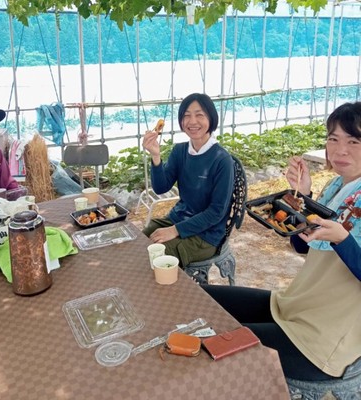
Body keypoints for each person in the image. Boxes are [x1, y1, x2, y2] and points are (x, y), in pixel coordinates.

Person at [202, 101, 361, 381]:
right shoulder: (337, 186)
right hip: (295, 306)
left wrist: (342, 239)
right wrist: (302, 197)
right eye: (333, 139)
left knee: (214, 344)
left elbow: (338, 244)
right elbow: (303, 245)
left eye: (354, 141)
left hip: (323, 339)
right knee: (201, 299)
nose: (340, 150)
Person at [142, 93, 234, 268]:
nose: (192, 121)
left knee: (157, 256)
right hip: (178, 219)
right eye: (186, 115)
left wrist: (175, 230)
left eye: (199, 115)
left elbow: (216, 212)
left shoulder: (222, 160)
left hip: (206, 234)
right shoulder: (180, 151)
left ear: (211, 118)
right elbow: (161, 187)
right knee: (140, 240)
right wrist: (155, 156)